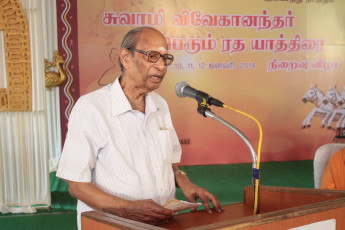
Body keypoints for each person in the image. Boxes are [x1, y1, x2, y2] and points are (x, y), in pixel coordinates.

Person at [56, 26, 223, 230]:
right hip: (113, 225)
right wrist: (127, 209)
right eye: (152, 56)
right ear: (126, 58)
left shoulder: (160, 104)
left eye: (165, 58)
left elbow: (169, 163)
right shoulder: (91, 108)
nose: (161, 66)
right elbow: (76, 184)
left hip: (162, 224)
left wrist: (186, 182)